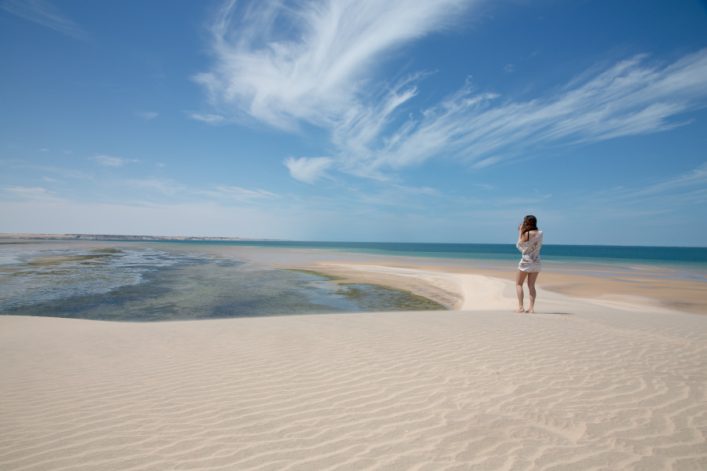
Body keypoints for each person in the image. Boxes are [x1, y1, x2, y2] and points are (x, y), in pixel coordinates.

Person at [515, 215, 543, 313]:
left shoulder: (526, 234)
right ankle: (531, 308)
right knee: (531, 285)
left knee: (518, 284)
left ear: (526, 223)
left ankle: (521, 307)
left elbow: (519, 246)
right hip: (537, 262)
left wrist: (520, 231)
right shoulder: (540, 233)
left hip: (526, 262)